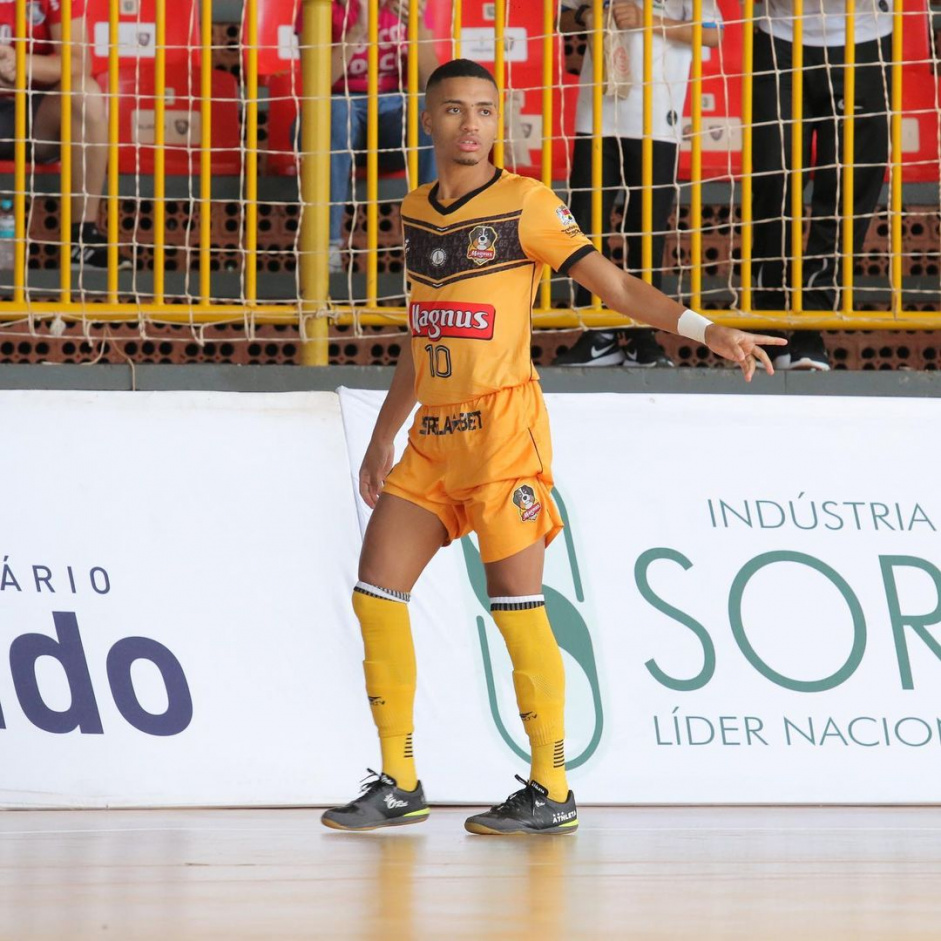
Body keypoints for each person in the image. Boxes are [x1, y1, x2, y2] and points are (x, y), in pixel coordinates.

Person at [320, 59, 784, 836]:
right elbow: (419, 332)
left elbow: (618, 289)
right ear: (426, 122)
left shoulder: (527, 204)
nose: (471, 124)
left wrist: (710, 331)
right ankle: (399, 779)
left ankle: (551, 788)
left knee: (514, 606)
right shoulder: (413, 210)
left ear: (498, 122)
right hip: (431, 439)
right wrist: (382, 435)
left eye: (484, 111)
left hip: (503, 434)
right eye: (454, 111)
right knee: (376, 591)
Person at [554, 0, 721, 368]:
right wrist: (585, 16)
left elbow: (712, 33)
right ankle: (596, 330)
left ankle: (644, 334)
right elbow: (562, 18)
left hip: (657, 118)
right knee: (585, 221)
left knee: (645, 227)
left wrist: (649, 19)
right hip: (595, 113)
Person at [751, 0, 893, 370]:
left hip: (865, 37)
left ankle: (812, 325)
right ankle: (770, 319)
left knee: (848, 188)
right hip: (778, 33)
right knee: (772, 179)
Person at [312, 0, 440, 272]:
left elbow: (433, 84)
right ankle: (328, 245)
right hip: (334, 117)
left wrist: (417, 30)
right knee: (336, 108)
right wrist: (359, 29)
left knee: (428, 109)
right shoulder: (323, 7)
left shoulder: (404, 7)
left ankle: (429, 239)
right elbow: (315, 86)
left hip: (391, 115)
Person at [0, 0, 128, 270]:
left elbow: (78, 61)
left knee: (84, 93)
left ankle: (82, 241)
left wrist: (19, 63)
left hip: (32, 115)